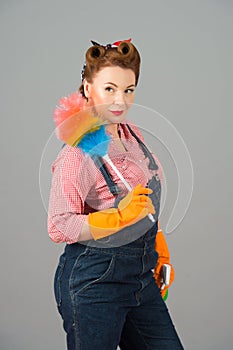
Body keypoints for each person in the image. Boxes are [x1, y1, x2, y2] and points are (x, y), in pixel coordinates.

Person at [48, 38, 184, 350]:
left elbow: (145, 200)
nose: (120, 100)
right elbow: (58, 225)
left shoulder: (131, 135)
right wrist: (119, 216)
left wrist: (158, 243)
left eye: (128, 89)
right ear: (87, 87)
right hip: (94, 283)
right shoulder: (76, 154)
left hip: (141, 278)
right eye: (109, 89)